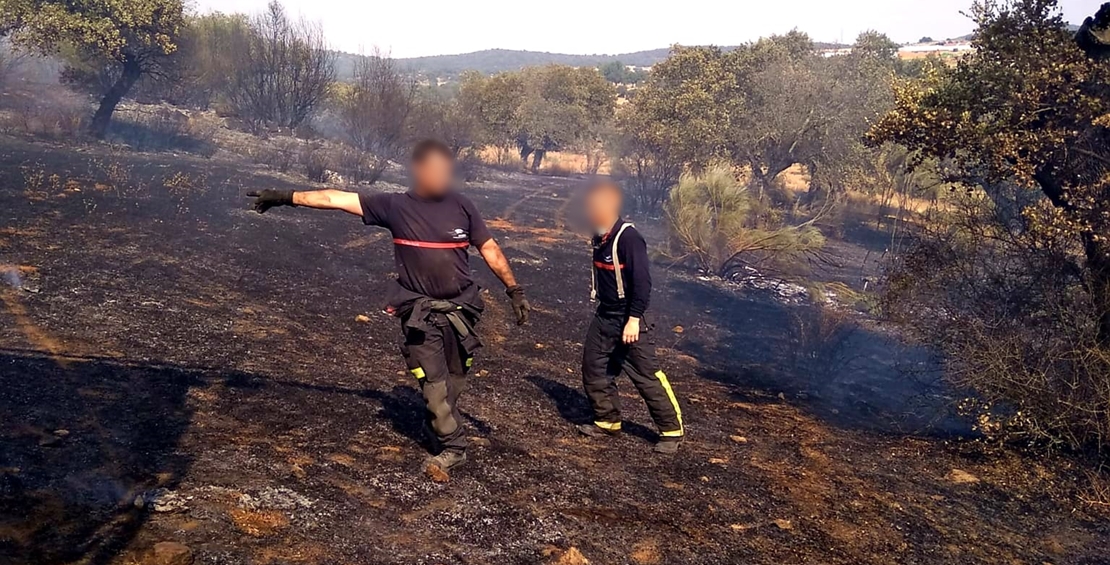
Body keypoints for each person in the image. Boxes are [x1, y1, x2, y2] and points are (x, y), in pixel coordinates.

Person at [247, 139, 530, 476]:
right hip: (420, 315)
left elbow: (490, 248)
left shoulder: (463, 206)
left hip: (461, 312)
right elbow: (333, 198)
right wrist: (286, 197)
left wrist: (514, 289)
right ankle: (454, 448)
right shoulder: (394, 206)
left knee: (455, 380)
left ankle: (438, 426)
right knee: (434, 385)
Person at [577, 180, 684, 453]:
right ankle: (607, 421)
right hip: (605, 315)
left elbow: (642, 283)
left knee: (646, 375)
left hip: (629, 318)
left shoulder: (629, 238)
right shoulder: (599, 235)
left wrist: (634, 319)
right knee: (594, 368)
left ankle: (671, 431)